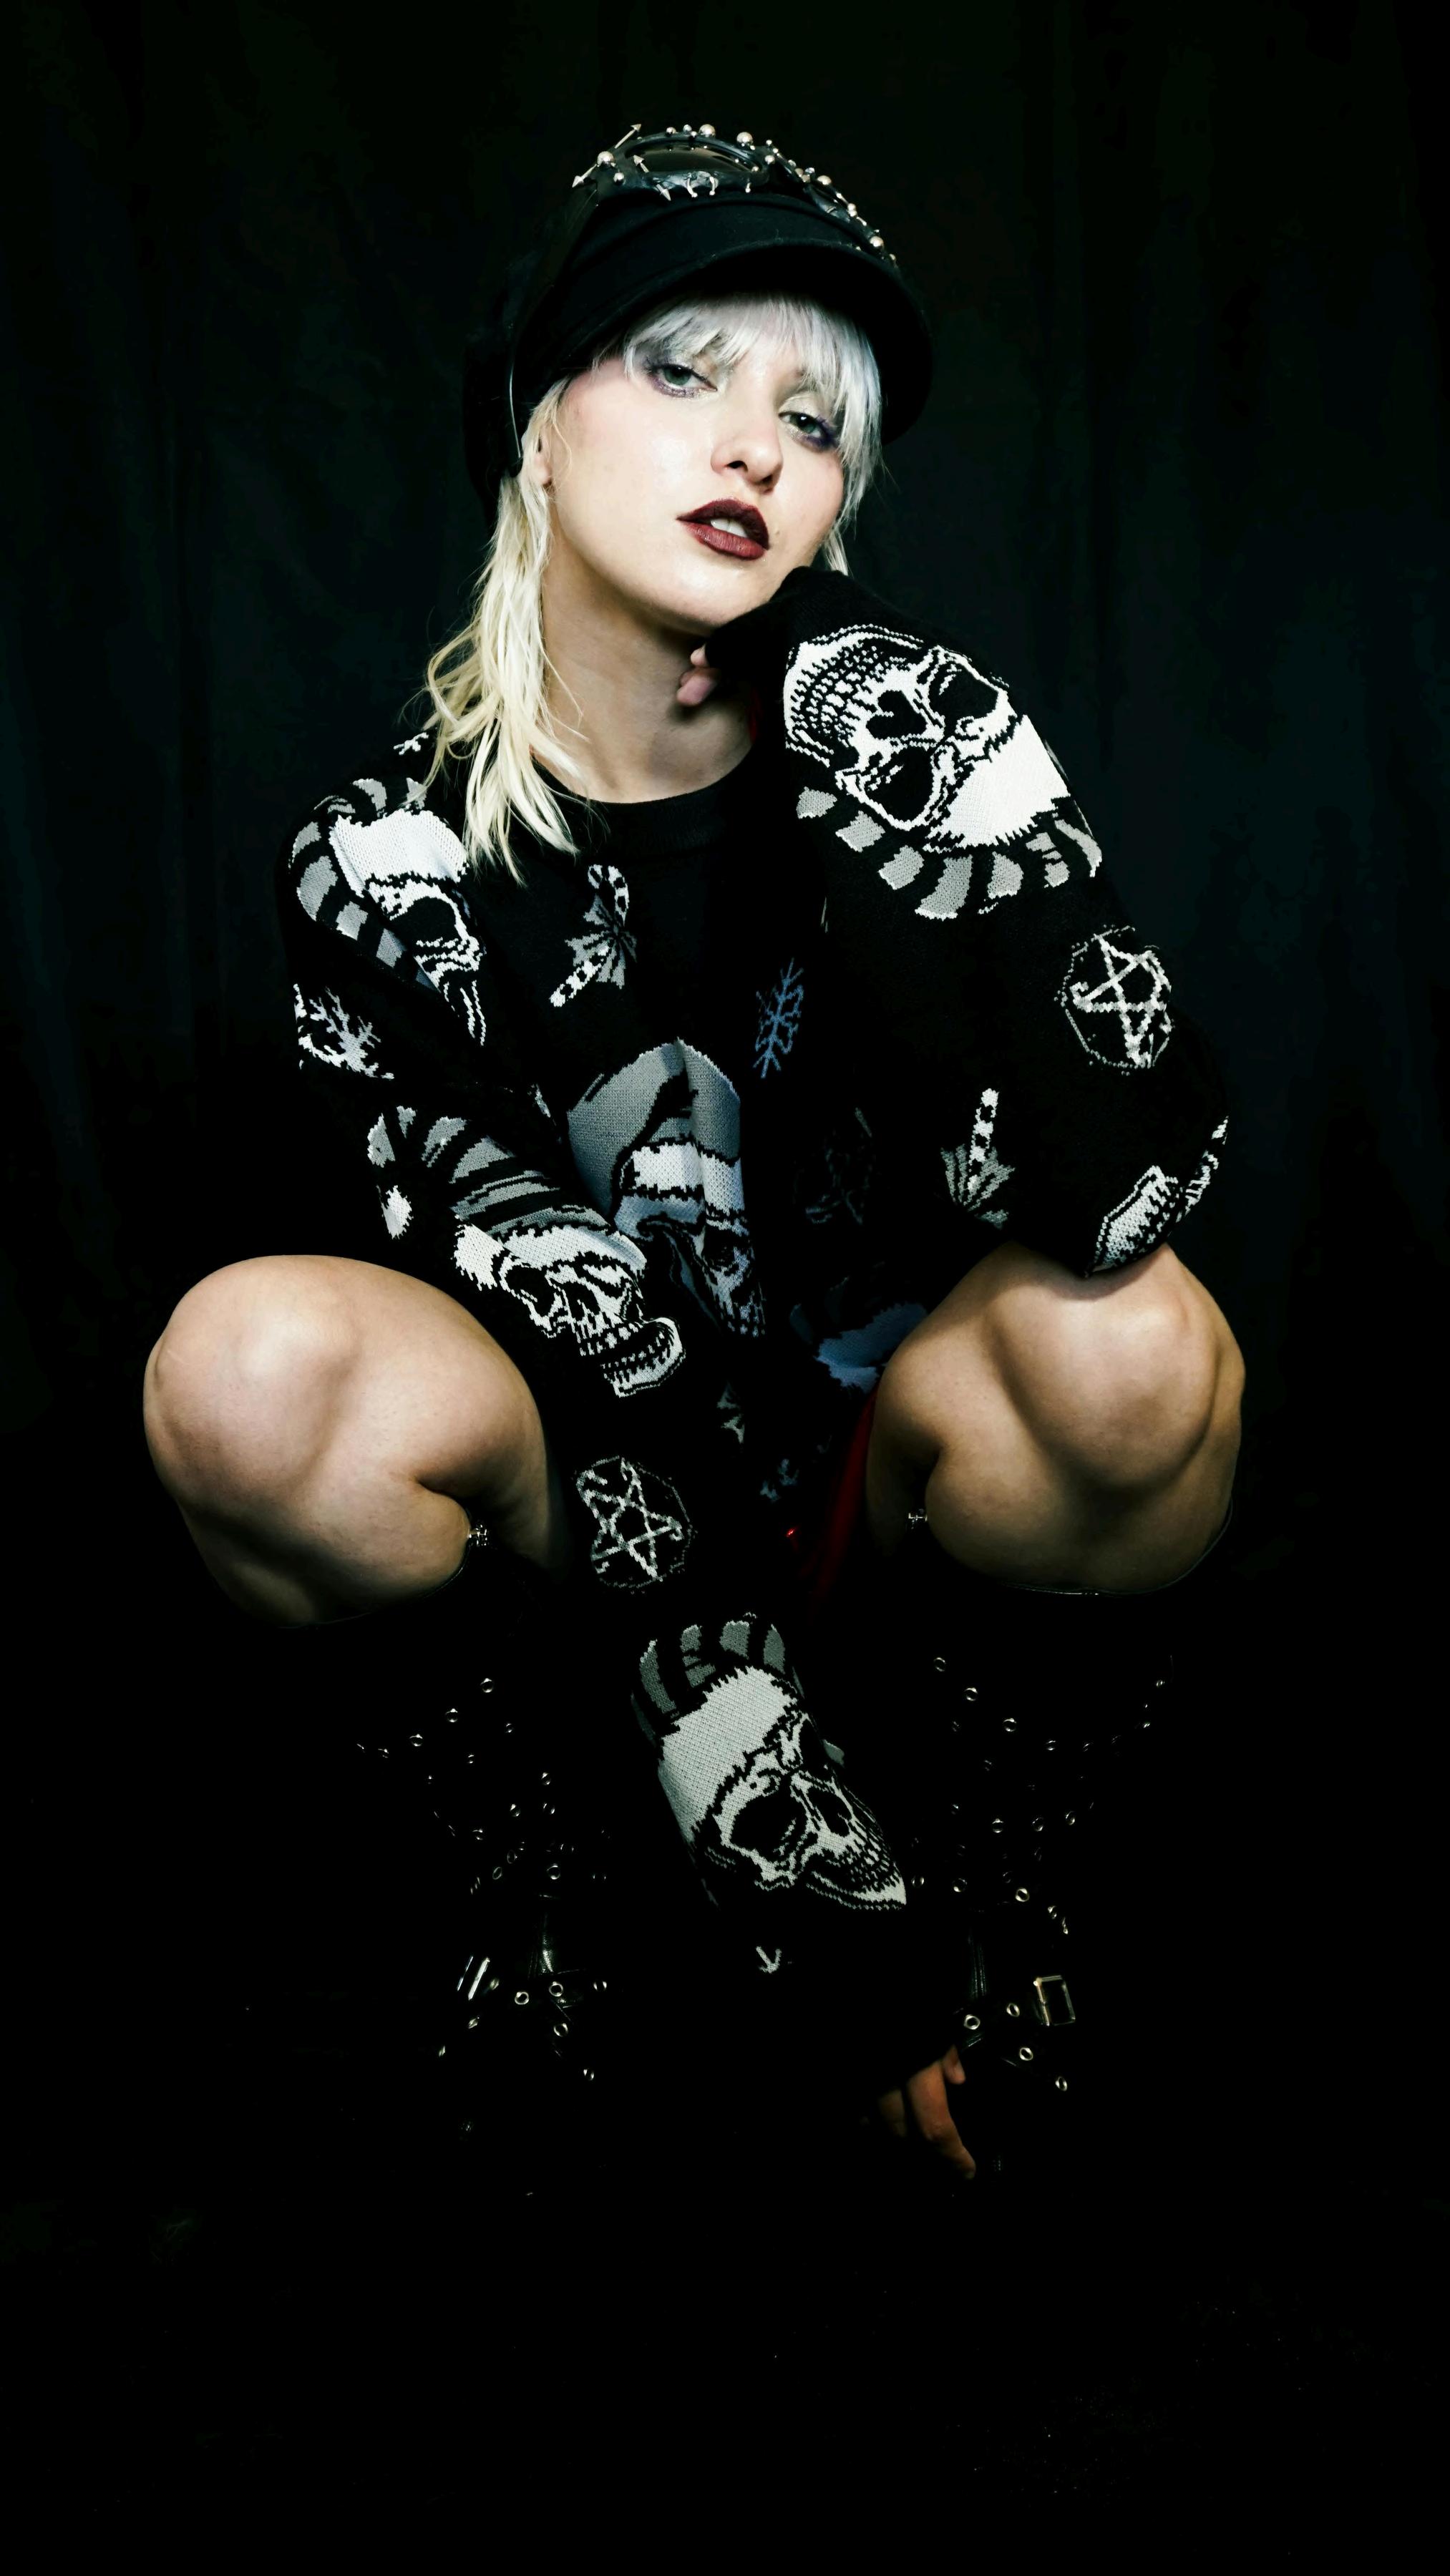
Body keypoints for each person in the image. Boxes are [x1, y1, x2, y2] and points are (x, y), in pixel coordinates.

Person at [143, 125, 1242, 2185]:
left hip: (888, 1488)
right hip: (594, 1495)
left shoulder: (897, 753)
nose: (751, 445)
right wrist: (828, 1920)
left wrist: (918, 741)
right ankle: (531, 1909)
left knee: (1131, 1344)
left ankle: (1017, 1907)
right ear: (539, 422)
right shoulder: (388, 864)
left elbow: (1128, 1187)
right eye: (679, 370)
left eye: (812, 422)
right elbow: (601, 1378)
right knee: (246, 1367)